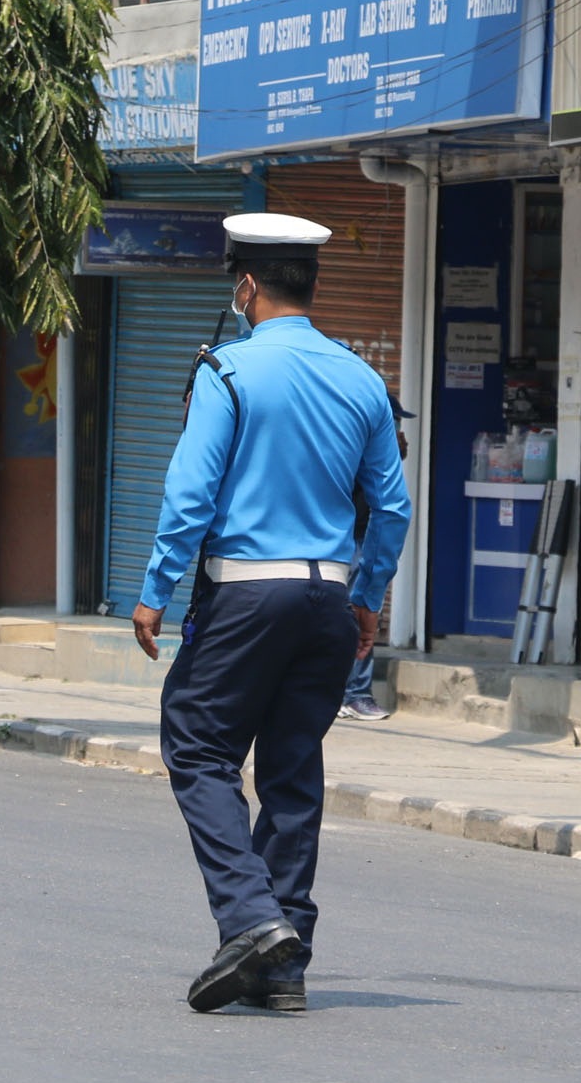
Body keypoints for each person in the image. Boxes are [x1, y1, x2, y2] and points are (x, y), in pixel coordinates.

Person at [132, 214, 410, 1014]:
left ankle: (253, 920)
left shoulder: (228, 371)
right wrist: (366, 597)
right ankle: (283, 964)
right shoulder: (361, 378)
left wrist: (155, 587)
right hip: (328, 596)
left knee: (197, 741)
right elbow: (391, 506)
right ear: (310, 286)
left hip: (249, 593)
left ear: (247, 286)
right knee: (292, 767)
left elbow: (191, 493)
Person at [337, 389, 415, 723]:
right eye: (393, 422)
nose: (398, 428)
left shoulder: (382, 450)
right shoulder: (349, 440)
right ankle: (352, 694)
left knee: (364, 608)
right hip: (344, 538)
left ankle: (352, 692)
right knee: (357, 611)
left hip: (366, 535)